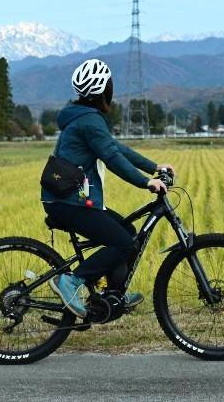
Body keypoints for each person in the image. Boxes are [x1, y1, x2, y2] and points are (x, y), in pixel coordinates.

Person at [41, 58, 173, 318]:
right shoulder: (89, 121)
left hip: (71, 199)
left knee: (127, 232)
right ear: (103, 91)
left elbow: (115, 148)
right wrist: (145, 182)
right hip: (69, 203)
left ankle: (113, 295)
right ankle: (70, 281)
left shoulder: (85, 117)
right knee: (124, 244)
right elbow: (112, 159)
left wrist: (154, 167)